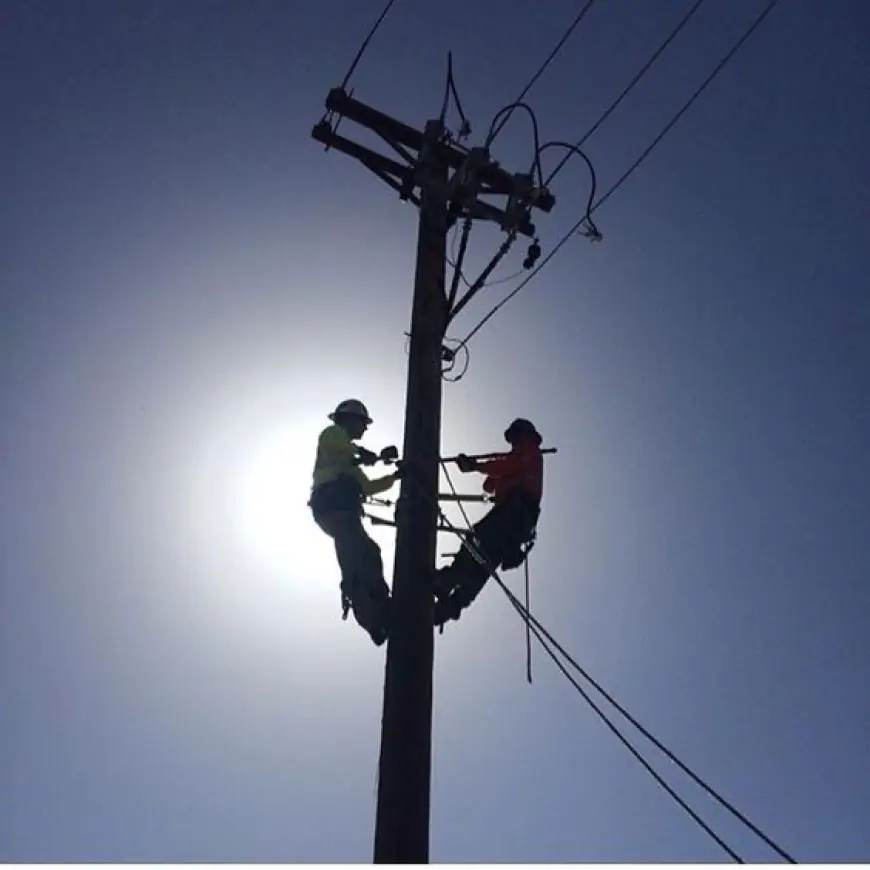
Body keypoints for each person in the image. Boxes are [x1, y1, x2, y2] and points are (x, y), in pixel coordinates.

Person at [434, 418, 544, 627]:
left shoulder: (529, 450)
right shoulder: (520, 456)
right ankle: (454, 604)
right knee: (484, 560)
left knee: (476, 539)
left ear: (523, 434)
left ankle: (449, 580)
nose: (513, 443)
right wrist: (486, 471)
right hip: (518, 521)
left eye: (514, 438)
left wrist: (475, 466)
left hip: (514, 512)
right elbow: (490, 485)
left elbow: (508, 466)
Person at [308, 399, 401, 646]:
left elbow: (368, 487)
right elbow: (340, 448)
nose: (365, 428)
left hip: (341, 511)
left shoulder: (349, 460)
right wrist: (367, 454)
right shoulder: (332, 435)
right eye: (363, 422)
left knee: (370, 552)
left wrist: (395, 476)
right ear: (349, 419)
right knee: (356, 560)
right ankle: (373, 618)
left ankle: (381, 607)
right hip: (332, 506)